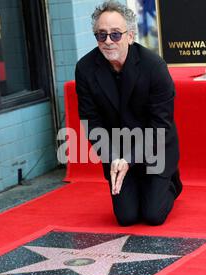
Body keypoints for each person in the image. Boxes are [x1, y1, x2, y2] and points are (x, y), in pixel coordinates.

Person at [75, 0, 182, 226]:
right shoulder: (85, 68)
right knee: (126, 217)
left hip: (155, 149)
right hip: (116, 151)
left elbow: (160, 125)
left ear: (130, 36)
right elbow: (91, 121)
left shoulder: (154, 67)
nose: (107, 41)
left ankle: (171, 182)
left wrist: (131, 159)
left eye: (115, 34)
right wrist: (113, 157)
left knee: (153, 215)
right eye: (101, 35)